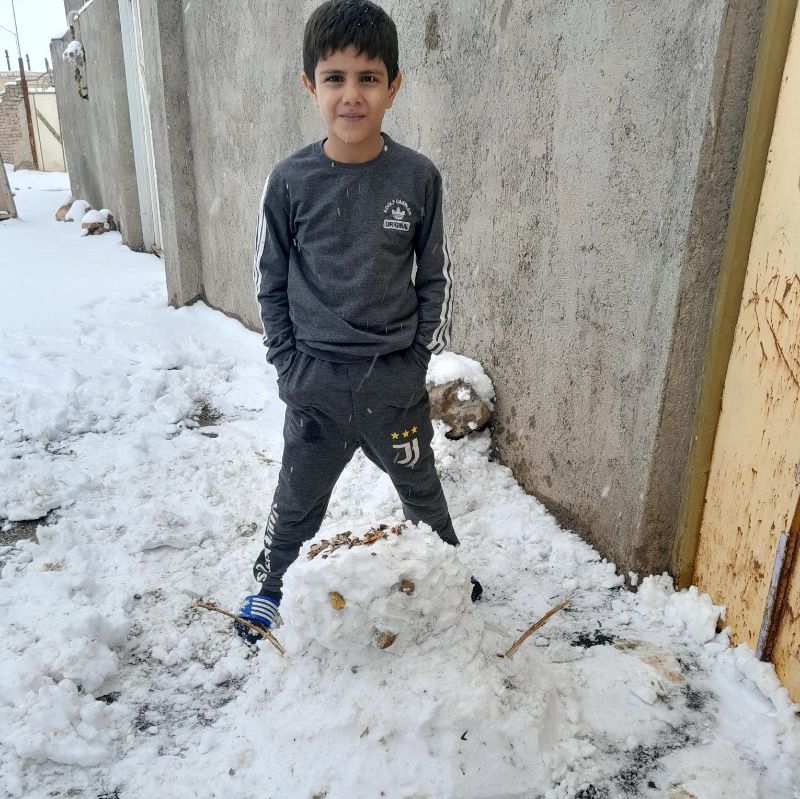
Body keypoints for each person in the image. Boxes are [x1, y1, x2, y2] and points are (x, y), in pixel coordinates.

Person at [235, 0, 481, 644]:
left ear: (393, 86)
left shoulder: (417, 177)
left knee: (421, 489)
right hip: (315, 383)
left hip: (391, 381)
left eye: (368, 78)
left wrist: (415, 360)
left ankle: (449, 571)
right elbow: (269, 279)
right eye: (335, 78)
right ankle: (270, 585)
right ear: (309, 85)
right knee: (296, 499)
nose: (352, 95)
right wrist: (288, 365)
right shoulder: (289, 181)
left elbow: (435, 276)